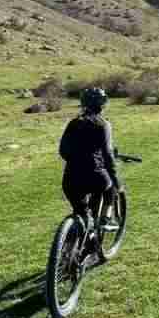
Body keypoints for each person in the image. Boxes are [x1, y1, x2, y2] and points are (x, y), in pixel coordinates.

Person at [58, 87, 119, 255]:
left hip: (70, 180)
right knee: (111, 185)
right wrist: (116, 179)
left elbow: (63, 151)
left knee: (82, 212)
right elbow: (107, 154)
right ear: (102, 105)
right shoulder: (103, 124)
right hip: (95, 177)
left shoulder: (73, 123)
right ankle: (106, 218)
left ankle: (86, 239)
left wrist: (78, 159)